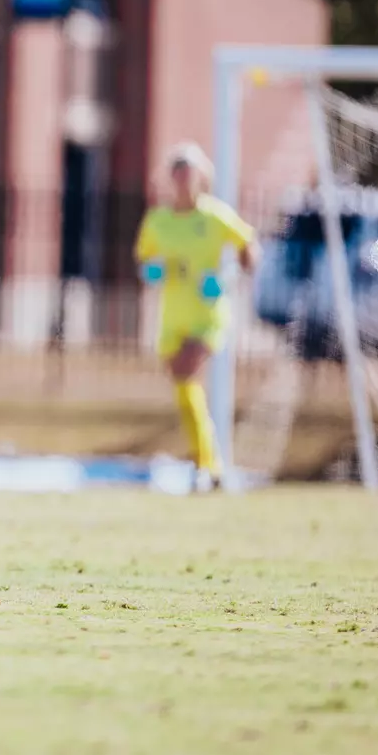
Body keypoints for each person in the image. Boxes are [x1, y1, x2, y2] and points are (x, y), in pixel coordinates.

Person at [134, 142, 260, 492]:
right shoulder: (158, 220)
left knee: (189, 369)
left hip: (207, 315)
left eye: (189, 172)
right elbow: (144, 259)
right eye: (178, 171)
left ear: (201, 177)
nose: (183, 179)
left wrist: (229, 277)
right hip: (173, 316)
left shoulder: (214, 216)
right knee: (185, 387)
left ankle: (208, 464)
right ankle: (209, 464)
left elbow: (250, 247)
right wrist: (153, 271)